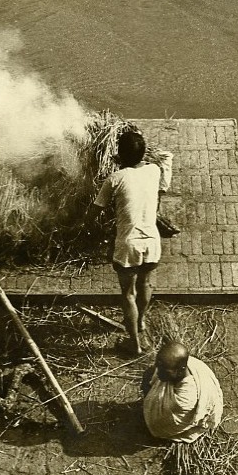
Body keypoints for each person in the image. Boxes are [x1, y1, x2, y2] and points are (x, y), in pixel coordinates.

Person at [90, 130, 174, 355]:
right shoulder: (154, 171)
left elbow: (97, 208)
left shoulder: (115, 178)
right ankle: (142, 322)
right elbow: (164, 160)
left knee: (128, 294)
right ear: (144, 153)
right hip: (152, 243)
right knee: (145, 284)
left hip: (128, 245)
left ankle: (134, 345)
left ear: (119, 154)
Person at [141, 341, 224, 443]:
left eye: (164, 370)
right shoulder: (183, 364)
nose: (158, 372)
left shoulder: (185, 399)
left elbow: (162, 423)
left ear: (180, 370)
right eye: (158, 366)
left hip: (184, 405)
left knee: (155, 425)